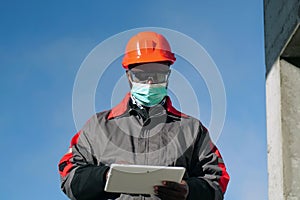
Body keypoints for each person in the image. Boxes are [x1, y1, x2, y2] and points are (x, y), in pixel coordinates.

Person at [58, 31, 230, 200]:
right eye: (141, 75)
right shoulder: (98, 127)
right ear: (128, 76)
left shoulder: (192, 129)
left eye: (157, 74)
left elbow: (217, 180)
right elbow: (69, 174)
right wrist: (105, 177)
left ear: (168, 75)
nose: (149, 82)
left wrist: (189, 191)